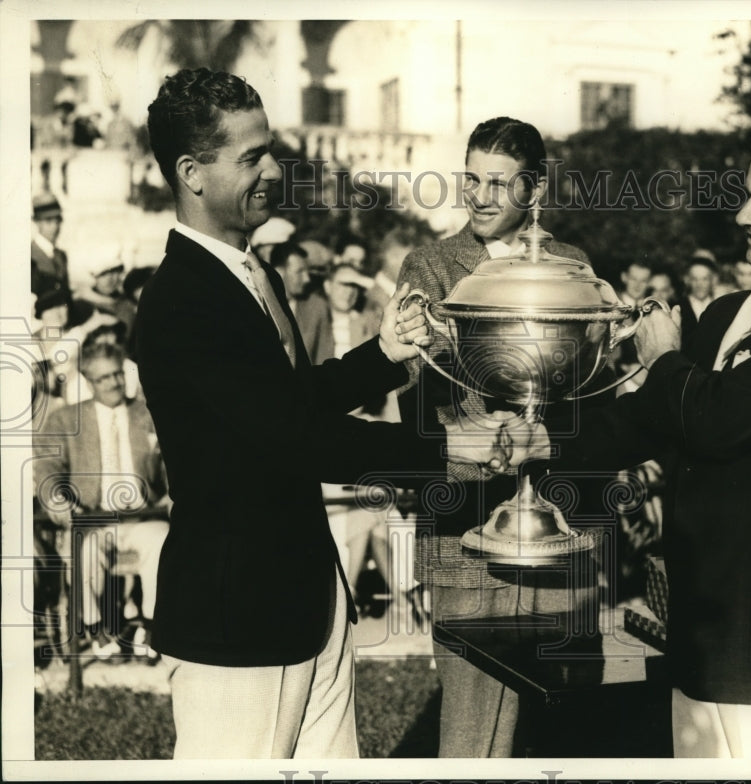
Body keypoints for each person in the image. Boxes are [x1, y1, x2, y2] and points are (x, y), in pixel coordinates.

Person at [133, 67, 502, 760]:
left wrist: (383, 355)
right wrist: (449, 450)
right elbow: (296, 437)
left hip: (310, 598)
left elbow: (289, 400)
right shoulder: (180, 300)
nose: (273, 170)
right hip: (237, 622)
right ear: (191, 172)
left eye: (268, 149)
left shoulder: (252, 272)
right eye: (250, 158)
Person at [506, 117, 751, 759]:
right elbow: (643, 422)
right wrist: (539, 439)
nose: (744, 213)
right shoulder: (730, 311)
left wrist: (664, 361)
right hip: (707, 636)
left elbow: (718, 419)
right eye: (747, 193)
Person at [395, 116, 607, 758]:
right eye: (471, 180)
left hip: (560, 530)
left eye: (497, 183)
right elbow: (417, 403)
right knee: (474, 735)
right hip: (469, 533)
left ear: (533, 190)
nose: (479, 197)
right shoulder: (431, 267)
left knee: (562, 730)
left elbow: (594, 396)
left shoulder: (573, 266)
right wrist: (483, 445)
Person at [33, 342, 170, 659]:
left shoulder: (148, 414)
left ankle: (150, 625)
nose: (113, 383)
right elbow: (46, 466)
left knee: (161, 541)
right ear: (88, 380)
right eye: (103, 378)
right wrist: (55, 498)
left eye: (117, 375)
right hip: (93, 518)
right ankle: (98, 630)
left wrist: (175, 494)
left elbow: (172, 464)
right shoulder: (67, 421)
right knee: (85, 549)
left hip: (142, 516)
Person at [31, 193, 70, 299]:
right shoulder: (29, 255)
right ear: (37, 222)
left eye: (58, 220)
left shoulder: (61, 255)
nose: (55, 227)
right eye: (48, 221)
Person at [677, 253, 718, 350]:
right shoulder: (677, 307)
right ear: (687, 280)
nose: (700, 284)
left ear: (713, 280)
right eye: (695, 279)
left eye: (705, 279)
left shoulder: (720, 306)